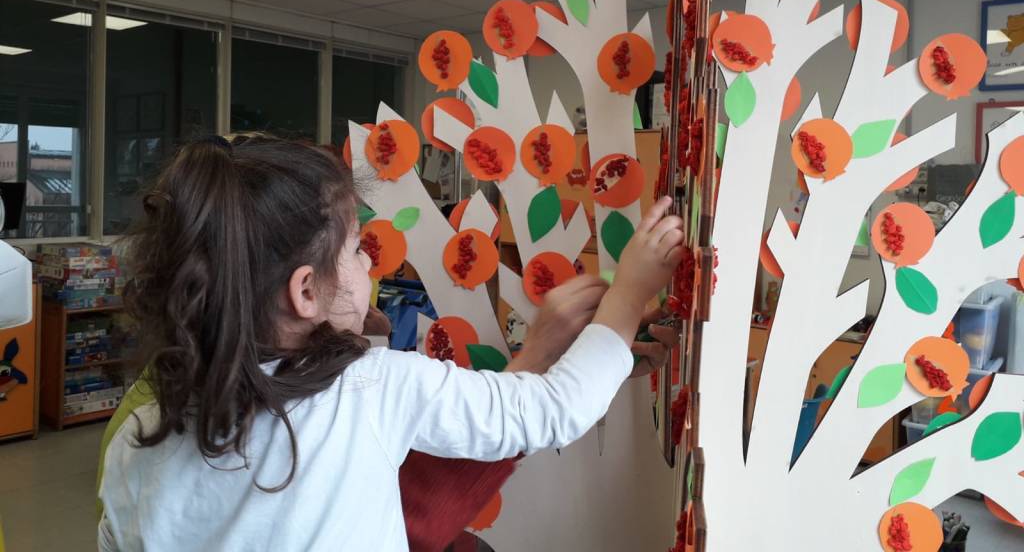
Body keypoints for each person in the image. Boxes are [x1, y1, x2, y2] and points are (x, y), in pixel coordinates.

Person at [98, 135, 684, 551]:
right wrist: (628, 295)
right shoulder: (370, 386)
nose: (369, 264)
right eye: (357, 250)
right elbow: (554, 411)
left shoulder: (138, 434)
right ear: (307, 292)